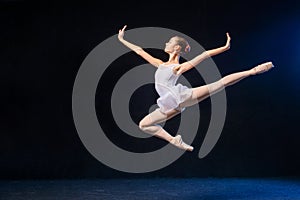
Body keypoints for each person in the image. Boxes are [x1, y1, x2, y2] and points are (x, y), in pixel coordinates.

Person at [118, 25, 274, 152]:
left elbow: (204, 55)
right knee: (143, 125)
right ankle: (174, 140)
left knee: (220, 84)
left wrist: (224, 48)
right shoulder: (159, 63)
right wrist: (121, 39)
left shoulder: (177, 67)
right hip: (171, 104)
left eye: (169, 42)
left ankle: (253, 70)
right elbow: (139, 50)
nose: (166, 44)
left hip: (181, 97)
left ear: (176, 47)